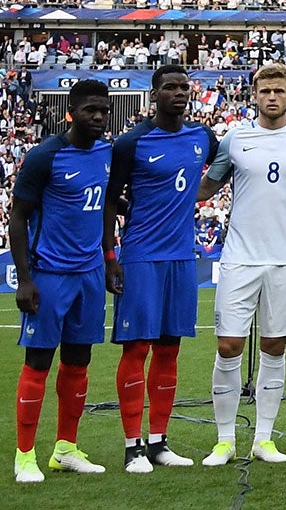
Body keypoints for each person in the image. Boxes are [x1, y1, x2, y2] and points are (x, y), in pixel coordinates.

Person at [200, 63, 286, 466]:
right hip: (239, 258)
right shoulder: (235, 139)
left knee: (275, 348)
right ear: (253, 95)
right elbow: (209, 185)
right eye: (264, 91)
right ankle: (224, 441)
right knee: (228, 346)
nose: (272, 97)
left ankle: (263, 438)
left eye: (279, 90)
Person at [106, 64, 217, 472]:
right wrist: (110, 257)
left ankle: (158, 441)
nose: (178, 93)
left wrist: (198, 197)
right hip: (140, 257)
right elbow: (108, 199)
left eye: (184, 87)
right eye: (169, 87)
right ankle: (132, 445)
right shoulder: (131, 143)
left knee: (170, 349)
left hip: (182, 259)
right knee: (137, 349)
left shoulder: (202, 137)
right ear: (154, 94)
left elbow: (221, 169)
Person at [11, 79, 112, 483]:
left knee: (79, 361)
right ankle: (24, 455)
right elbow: (18, 218)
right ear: (72, 111)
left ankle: (65, 448)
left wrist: (109, 258)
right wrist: (24, 279)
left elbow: (105, 207)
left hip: (90, 274)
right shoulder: (45, 156)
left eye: (104, 110)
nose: (98, 117)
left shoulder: (107, 153)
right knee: (38, 361)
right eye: (90, 110)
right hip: (50, 275)